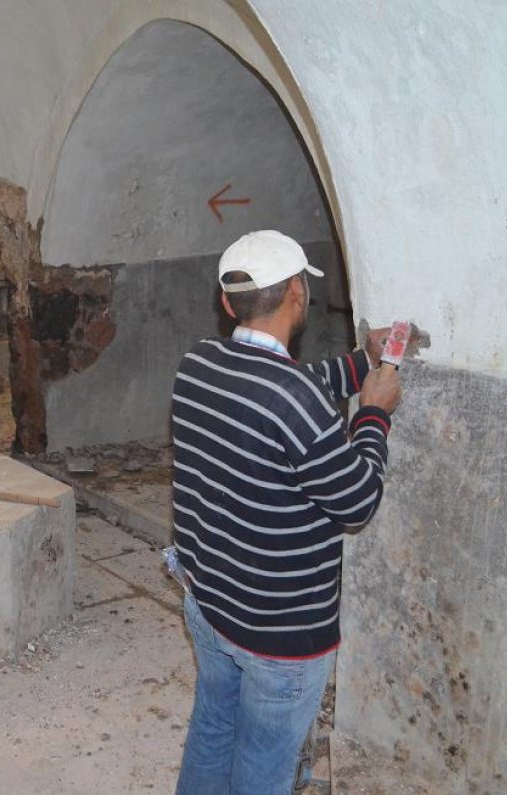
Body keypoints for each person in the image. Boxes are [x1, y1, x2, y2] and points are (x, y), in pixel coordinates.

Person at [170, 230, 401, 794]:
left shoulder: (197, 363)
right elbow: (357, 501)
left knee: (214, 726)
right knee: (264, 762)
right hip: (279, 628)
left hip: (210, 599)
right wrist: (374, 414)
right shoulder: (294, 398)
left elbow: (284, 389)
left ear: (228, 304)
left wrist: (361, 363)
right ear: (298, 292)